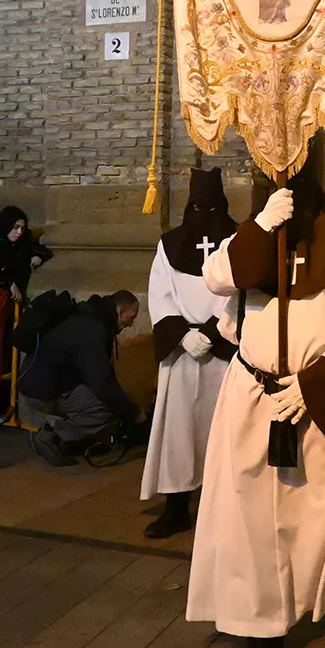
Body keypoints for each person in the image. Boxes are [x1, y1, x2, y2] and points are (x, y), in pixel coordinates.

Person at [188, 166, 325, 648]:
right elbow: (215, 277)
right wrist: (258, 227)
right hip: (251, 393)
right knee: (250, 516)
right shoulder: (254, 236)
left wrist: (313, 387)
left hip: (311, 398)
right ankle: (263, 631)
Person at [141, 169, 240, 538]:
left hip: (223, 352)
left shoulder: (238, 240)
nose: (204, 216)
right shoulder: (169, 245)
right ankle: (177, 507)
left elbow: (241, 293)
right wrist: (182, 335)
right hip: (182, 354)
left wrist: (213, 333)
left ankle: (224, 509)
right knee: (179, 432)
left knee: (223, 429)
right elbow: (159, 293)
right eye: (198, 207)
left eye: (209, 208)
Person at [18, 290, 143, 464]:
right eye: (132, 317)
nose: (131, 324)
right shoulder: (93, 330)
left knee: (112, 399)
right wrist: (133, 413)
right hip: (42, 393)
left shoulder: (88, 315)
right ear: (120, 311)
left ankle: (66, 439)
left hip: (37, 384)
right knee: (106, 407)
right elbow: (102, 384)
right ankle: (50, 435)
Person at [0, 206, 53, 302]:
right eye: (15, 227)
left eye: (22, 228)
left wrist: (37, 256)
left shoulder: (23, 239)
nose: (19, 232)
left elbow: (41, 250)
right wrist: (9, 283)